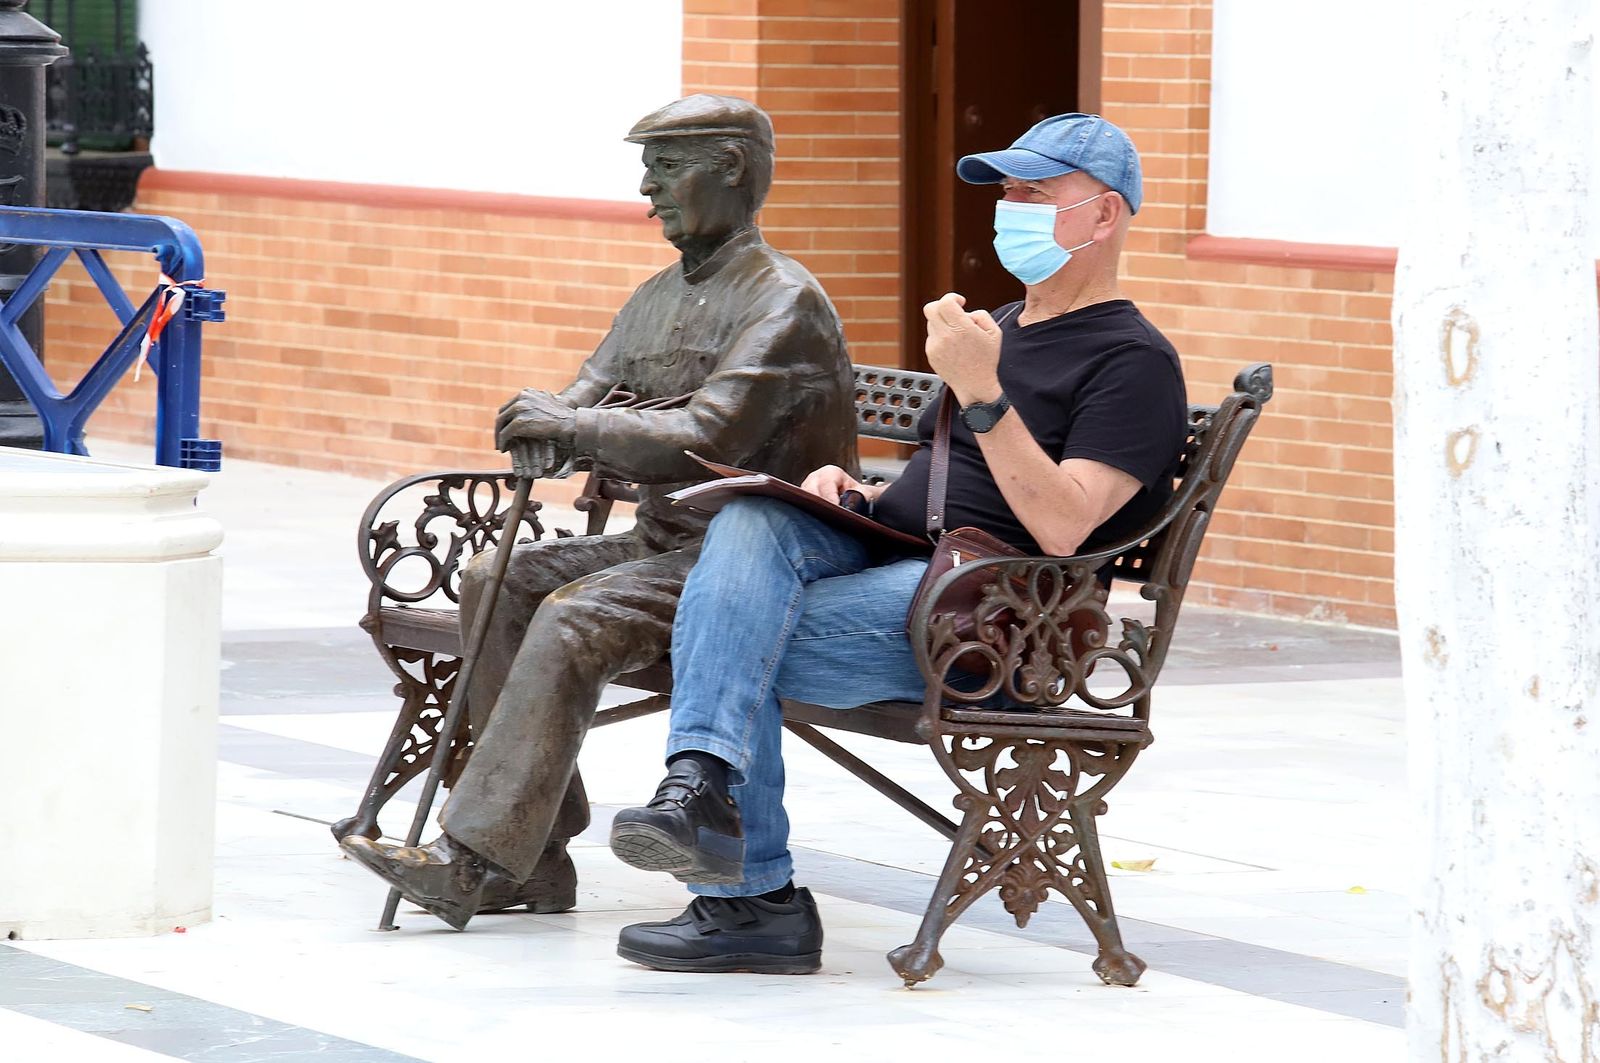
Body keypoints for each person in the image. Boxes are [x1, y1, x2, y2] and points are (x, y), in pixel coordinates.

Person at [604, 113, 1189, 974]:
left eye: (1035, 193)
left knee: (723, 632)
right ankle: (701, 792)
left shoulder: (1132, 361)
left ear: (1103, 217)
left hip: (1002, 612)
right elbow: (951, 478)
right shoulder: (999, 324)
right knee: (754, 520)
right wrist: (859, 493)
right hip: (911, 561)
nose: (1010, 208)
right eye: (1007, 192)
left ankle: (750, 895)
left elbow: (1065, 523)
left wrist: (983, 389)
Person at [339, 94, 858, 929]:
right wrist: (542, 418)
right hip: (661, 543)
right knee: (493, 575)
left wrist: (575, 425)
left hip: (745, 562)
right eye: (644, 168)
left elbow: (705, 436)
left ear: (732, 171)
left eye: (665, 167)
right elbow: (585, 391)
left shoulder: (783, 303)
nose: (646, 190)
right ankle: (533, 858)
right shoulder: (656, 294)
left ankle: (472, 862)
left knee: (576, 617)